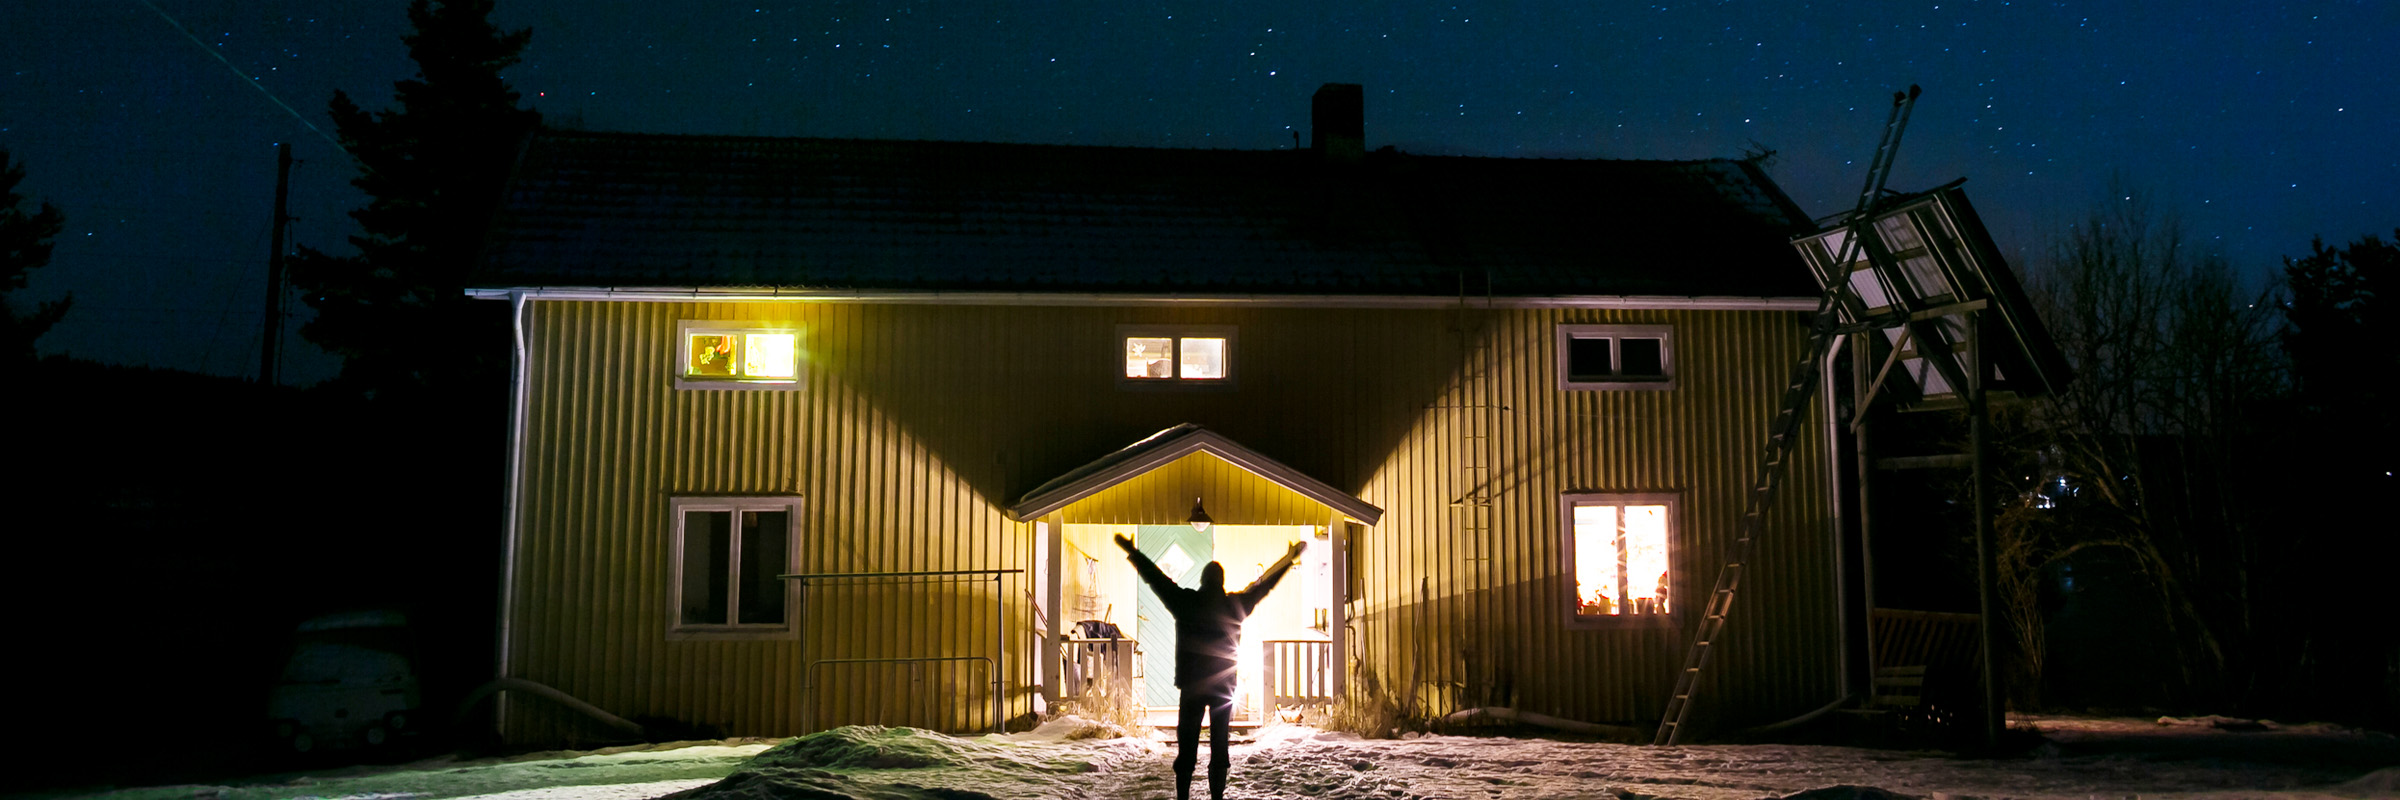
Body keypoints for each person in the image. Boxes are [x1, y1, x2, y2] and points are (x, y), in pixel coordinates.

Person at [1113, 533, 1307, 800]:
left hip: (1192, 687)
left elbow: (1156, 579)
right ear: (1222, 583)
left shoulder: (1185, 602)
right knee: (1219, 746)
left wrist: (1133, 552)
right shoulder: (1234, 606)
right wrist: (1287, 560)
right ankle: (1217, 797)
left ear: (1202, 581)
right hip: (1222, 690)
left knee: (1187, 747)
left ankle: (1183, 796)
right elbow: (1262, 587)